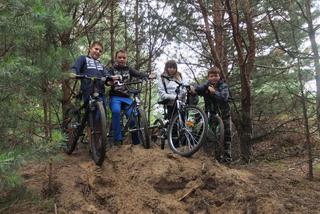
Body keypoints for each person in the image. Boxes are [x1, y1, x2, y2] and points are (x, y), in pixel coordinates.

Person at [108, 49, 155, 145]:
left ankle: (136, 142)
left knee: (132, 116)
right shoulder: (112, 69)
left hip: (126, 97)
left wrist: (148, 75)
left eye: (124, 58)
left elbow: (139, 74)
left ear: (126, 59)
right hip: (115, 97)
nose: (121, 59)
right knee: (116, 112)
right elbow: (107, 78)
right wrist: (109, 80)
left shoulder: (129, 69)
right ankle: (117, 139)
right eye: (119, 57)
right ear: (116, 58)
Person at [69, 41, 109, 140]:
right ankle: (92, 145)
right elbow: (75, 67)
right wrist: (73, 73)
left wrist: (111, 79)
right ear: (90, 48)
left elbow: (107, 74)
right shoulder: (83, 59)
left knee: (102, 118)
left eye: (100, 51)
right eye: (96, 49)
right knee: (90, 117)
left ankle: (99, 145)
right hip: (88, 90)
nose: (98, 51)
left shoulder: (100, 64)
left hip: (100, 91)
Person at [191, 67, 232, 163]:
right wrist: (193, 90)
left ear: (219, 76)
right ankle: (215, 157)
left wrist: (214, 92)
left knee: (227, 136)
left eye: (216, 76)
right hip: (212, 114)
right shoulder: (206, 85)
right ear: (208, 77)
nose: (214, 78)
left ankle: (227, 159)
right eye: (211, 76)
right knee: (213, 136)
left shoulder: (223, 85)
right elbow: (198, 89)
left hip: (224, 114)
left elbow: (224, 97)